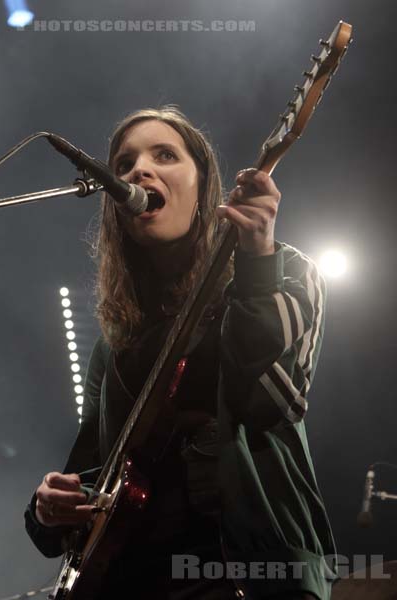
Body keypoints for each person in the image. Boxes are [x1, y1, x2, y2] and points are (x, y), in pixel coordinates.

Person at [24, 106, 337, 599]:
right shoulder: (116, 341)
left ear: (204, 186)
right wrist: (48, 507)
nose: (137, 172)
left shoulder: (285, 272)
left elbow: (272, 403)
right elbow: (96, 472)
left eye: (164, 155)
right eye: (123, 165)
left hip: (244, 578)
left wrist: (256, 266)